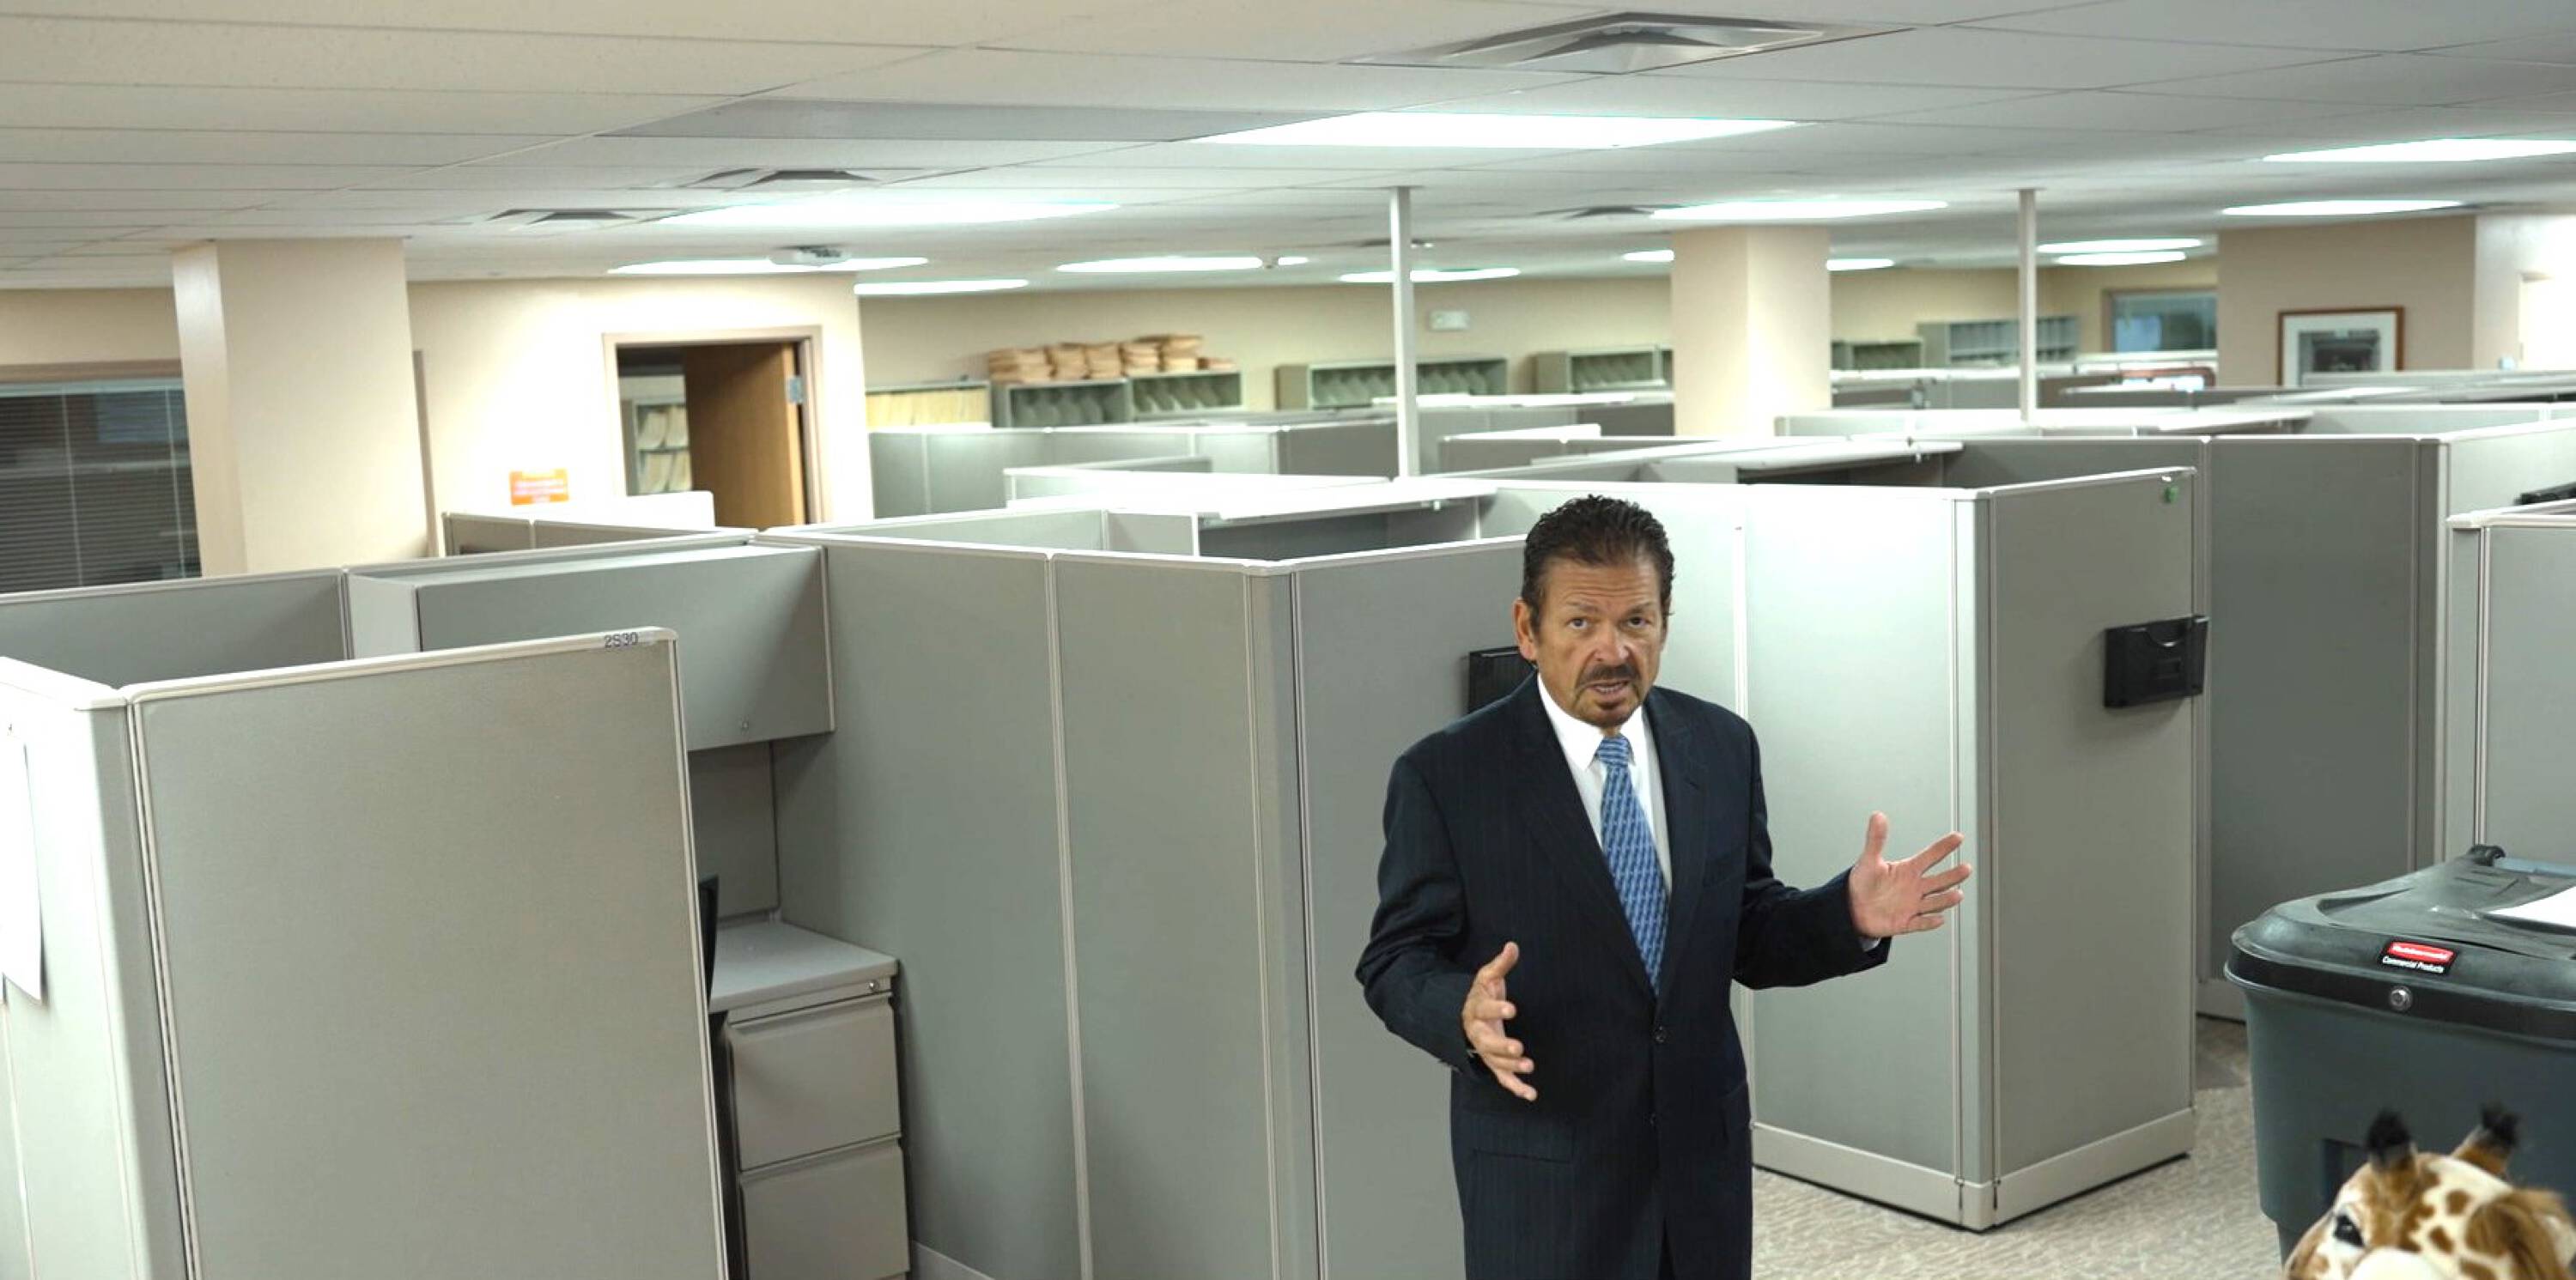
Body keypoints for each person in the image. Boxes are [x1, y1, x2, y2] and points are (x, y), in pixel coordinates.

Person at [1356, 495, 1971, 1280]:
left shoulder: (1719, 745)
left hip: (1699, 1173)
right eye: (1581, 622)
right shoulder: (1447, 775)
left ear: (1665, 624)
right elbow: (1395, 959)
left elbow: (1746, 928)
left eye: (1637, 621)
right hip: (1546, 1184)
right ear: (1527, 629)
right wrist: (1462, 1014)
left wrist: (1846, 913)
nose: (1612, 650)